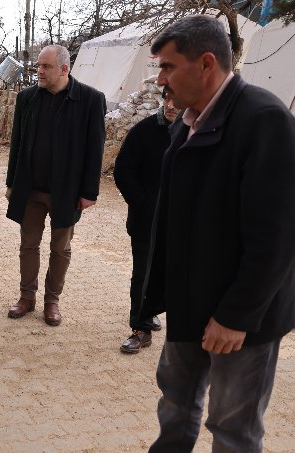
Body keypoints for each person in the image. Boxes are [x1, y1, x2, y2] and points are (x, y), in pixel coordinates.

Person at [139, 15, 295, 451]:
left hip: (241, 321)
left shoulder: (264, 120)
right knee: (175, 409)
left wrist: (235, 316)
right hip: (191, 306)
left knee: (232, 430)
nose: (159, 79)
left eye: (168, 66)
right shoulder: (186, 122)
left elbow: (278, 238)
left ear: (206, 63)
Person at [5, 44, 106, 326]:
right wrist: (12, 182)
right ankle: (27, 297)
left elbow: (94, 149)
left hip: (67, 191)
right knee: (28, 245)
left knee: (60, 248)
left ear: (64, 69)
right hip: (31, 189)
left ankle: (52, 301)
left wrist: (89, 192)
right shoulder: (27, 98)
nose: (39, 71)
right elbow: (17, 143)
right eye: (38, 65)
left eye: (45, 66)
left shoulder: (90, 100)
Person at [113, 88, 180, 353]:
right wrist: (143, 204)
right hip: (147, 222)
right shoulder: (144, 130)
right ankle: (140, 327)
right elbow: (123, 170)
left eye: (178, 98)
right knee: (144, 274)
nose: (171, 104)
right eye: (167, 98)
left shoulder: (202, 132)